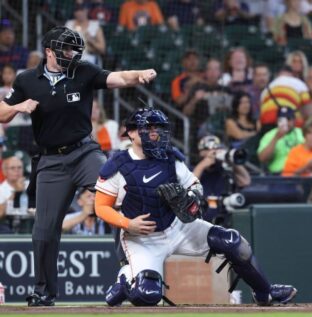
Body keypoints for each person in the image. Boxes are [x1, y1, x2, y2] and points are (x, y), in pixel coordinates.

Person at [0, 26, 157, 306]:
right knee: (44, 231)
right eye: (66, 50)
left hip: (84, 152)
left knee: (121, 197)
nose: (72, 54)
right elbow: (2, 113)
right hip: (50, 161)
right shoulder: (26, 79)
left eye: (75, 49)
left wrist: (138, 75)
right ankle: (44, 292)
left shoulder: (83, 71)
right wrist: (18, 106)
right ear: (49, 52)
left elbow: (117, 77)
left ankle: (136, 275)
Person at [94, 108, 296, 307]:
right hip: (143, 238)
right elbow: (100, 207)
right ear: (131, 132)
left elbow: (195, 185)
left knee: (233, 242)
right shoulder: (118, 165)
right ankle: (124, 280)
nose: (154, 131)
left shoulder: (170, 158)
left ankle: (265, 293)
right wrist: (127, 223)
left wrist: (191, 198)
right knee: (147, 295)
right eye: (148, 126)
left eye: (158, 127)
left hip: (177, 225)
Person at [192, 135, 251, 223]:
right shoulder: (195, 169)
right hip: (202, 221)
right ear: (201, 153)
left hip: (225, 219)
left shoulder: (225, 168)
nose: (214, 152)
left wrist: (231, 160)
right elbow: (190, 185)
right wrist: (203, 164)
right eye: (208, 149)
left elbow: (245, 181)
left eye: (217, 148)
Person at [258, 107, 304, 174]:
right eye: (282, 120)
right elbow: (262, 158)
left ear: (294, 120)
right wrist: (276, 138)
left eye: (288, 119)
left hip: (300, 172)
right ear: (277, 121)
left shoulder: (302, 133)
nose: (286, 123)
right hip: (278, 174)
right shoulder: (269, 135)